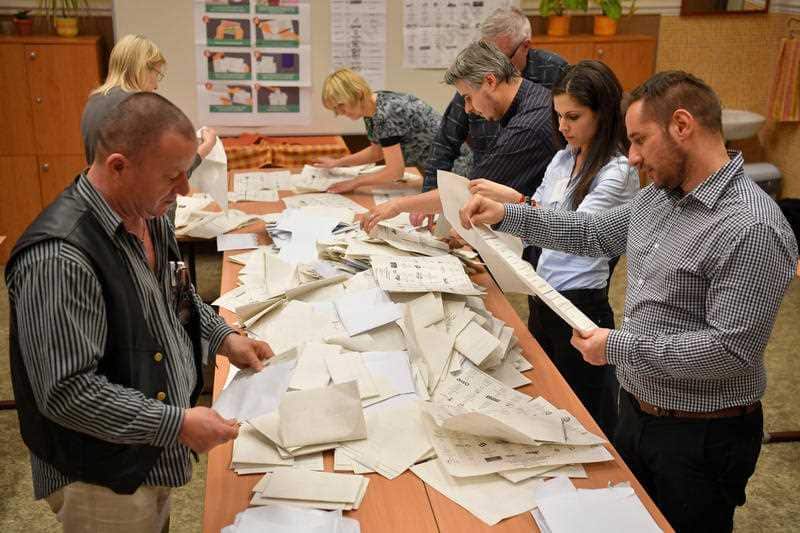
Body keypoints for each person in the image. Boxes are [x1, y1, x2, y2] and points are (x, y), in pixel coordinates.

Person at [459, 71, 798, 532]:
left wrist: (615, 347)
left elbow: (729, 352)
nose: (632, 156)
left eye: (639, 140)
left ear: (682, 126)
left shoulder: (751, 227)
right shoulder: (660, 195)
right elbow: (591, 232)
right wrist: (508, 215)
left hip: (700, 433)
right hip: (638, 410)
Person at [6, 92, 274, 532]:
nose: (185, 190)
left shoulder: (149, 211)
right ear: (117, 166)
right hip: (98, 473)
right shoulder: (59, 258)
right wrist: (177, 424)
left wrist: (224, 338)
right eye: (173, 176)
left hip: (145, 444)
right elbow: (67, 392)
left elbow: (176, 296)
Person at [465, 60, 639, 437]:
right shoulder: (562, 158)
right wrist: (514, 209)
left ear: (603, 114)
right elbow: (538, 222)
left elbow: (578, 233)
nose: (563, 127)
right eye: (558, 116)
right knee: (547, 394)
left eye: (573, 116)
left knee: (589, 414)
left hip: (579, 301)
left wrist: (514, 206)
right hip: (542, 292)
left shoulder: (618, 171)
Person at [361, 40, 557, 233]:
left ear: (490, 81)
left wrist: (398, 205)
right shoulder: (530, 97)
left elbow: (470, 192)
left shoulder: (527, 126)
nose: (468, 109)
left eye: (468, 97)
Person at [423, 7, 568, 197]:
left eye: (501, 57)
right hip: (488, 176)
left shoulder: (554, 71)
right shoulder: (477, 79)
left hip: (536, 189)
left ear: (525, 46)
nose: (493, 64)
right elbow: (445, 141)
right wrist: (430, 191)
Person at [314, 67, 469, 194]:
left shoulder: (386, 113)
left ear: (358, 94)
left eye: (341, 105)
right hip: (439, 170)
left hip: (456, 171)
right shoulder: (373, 108)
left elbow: (395, 172)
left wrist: (354, 183)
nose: (339, 112)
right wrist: (338, 163)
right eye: (335, 109)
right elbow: (377, 152)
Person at [81, 34, 216, 170]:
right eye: (157, 75)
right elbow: (167, 177)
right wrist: (205, 148)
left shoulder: (94, 102)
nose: (156, 86)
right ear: (144, 69)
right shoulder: (140, 109)